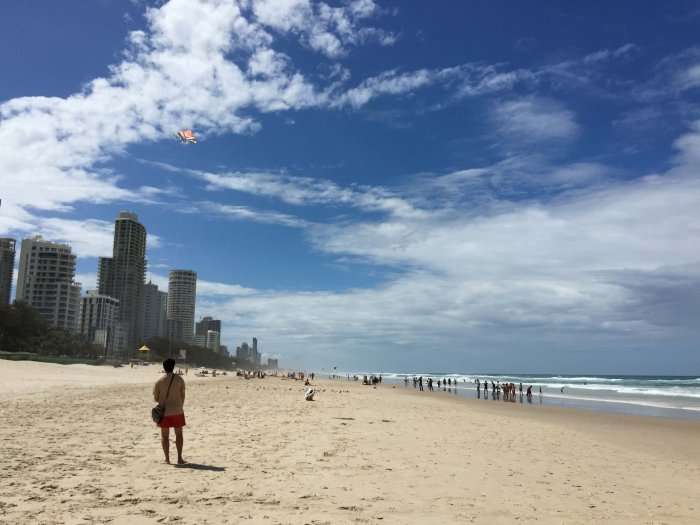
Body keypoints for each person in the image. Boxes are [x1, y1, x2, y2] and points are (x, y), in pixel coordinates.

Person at [153, 358, 187, 465]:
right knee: (179, 434)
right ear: (174, 367)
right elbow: (182, 396)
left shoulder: (159, 381)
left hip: (164, 412)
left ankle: (167, 459)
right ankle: (179, 458)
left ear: (164, 367)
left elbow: (156, 398)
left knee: (165, 436)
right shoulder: (180, 380)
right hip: (177, 410)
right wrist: (178, 405)